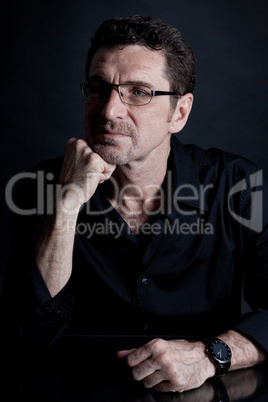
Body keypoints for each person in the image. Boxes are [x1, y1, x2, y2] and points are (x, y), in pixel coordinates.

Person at [3, 15, 268, 393]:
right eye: (99, 87)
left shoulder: (237, 185)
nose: (109, 110)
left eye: (139, 92)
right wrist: (66, 204)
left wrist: (211, 356)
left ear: (179, 113)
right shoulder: (39, 188)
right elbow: (26, 334)